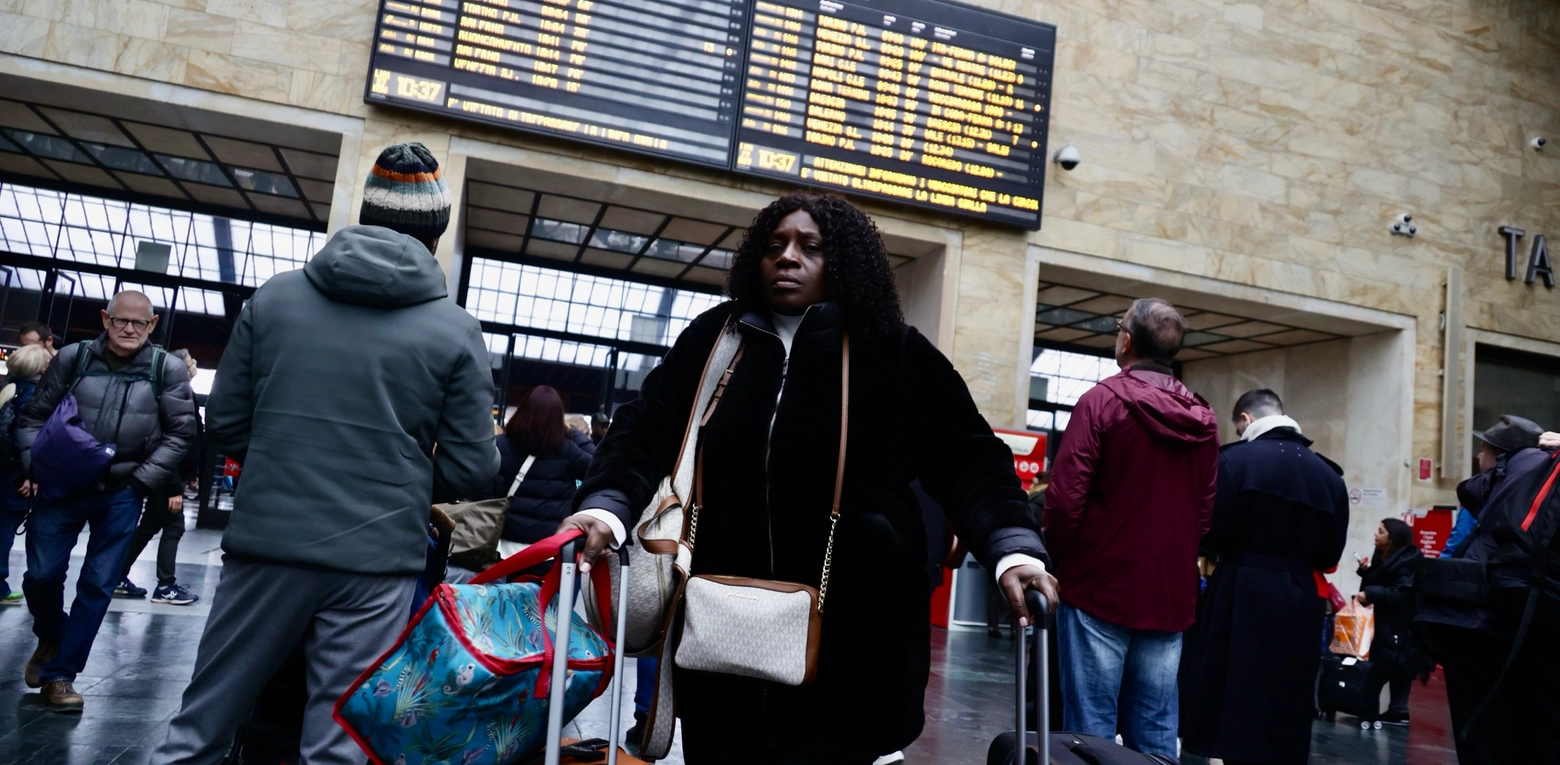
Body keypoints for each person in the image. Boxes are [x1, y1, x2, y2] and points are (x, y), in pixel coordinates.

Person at [557, 193, 1056, 765]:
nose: (787, 258)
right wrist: (606, 505)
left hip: (855, 649)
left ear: (844, 261)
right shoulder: (716, 339)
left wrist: (1013, 548)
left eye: (809, 247)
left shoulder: (892, 351)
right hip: (724, 636)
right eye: (774, 246)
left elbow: (970, 459)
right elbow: (643, 431)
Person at [151, 142, 501, 765]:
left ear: (364, 212)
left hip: (268, 544)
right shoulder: (455, 327)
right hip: (378, 558)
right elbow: (474, 468)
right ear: (437, 230)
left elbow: (226, 421)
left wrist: (287, 460)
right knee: (338, 744)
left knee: (201, 725)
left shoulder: (277, 297)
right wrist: (400, 480)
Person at [1043, 298, 1218, 758]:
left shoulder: (1100, 402)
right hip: (1169, 590)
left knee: (1091, 728)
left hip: (1099, 584)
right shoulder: (1203, 418)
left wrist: (1060, 561)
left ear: (1126, 341)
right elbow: (1204, 509)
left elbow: (1064, 499)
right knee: (1157, 725)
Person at [16, 290, 197, 712]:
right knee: (40, 576)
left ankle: (61, 675)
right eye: (120, 321)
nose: (129, 329)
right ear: (105, 318)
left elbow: (181, 434)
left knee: (97, 585)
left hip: (121, 492)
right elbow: (33, 417)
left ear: (153, 325)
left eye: (139, 322)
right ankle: (52, 633)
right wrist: (35, 466)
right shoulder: (73, 358)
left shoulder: (165, 368)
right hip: (62, 486)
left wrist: (141, 483)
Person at [1179, 389, 1349, 765]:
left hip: (1240, 585)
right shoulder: (1329, 476)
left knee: (1231, 685)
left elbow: (1209, 533)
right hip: (1301, 594)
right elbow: (1330, 553)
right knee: (1287, 692)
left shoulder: (1234, 461)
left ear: (1245, 420)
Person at [1413, 415, 1545, 764]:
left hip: (1478, 621)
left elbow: (1459, 542)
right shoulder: (1540, 484)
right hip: (1527, 619)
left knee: (1481, 727)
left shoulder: (1497, 485)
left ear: (1496, 455)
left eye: (1483, 451)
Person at [115, 349, 202, 605]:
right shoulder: (175, 396)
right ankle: (166, 586)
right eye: (190, 361)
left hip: (166, 475)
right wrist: (175, 485)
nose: (194, 364)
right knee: (174, 527)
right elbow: (168, 443)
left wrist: (191, 473)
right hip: (166, 476)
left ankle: (116, 575)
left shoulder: (174, 393)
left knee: (148, 526)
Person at [485, 385, 593, 550]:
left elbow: (484, 490)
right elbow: (599, 471)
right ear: (558, 417)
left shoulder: (500, 445)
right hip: (550, 545)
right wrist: (576, 434)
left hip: (502, 540)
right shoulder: (568, 451)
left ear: (523, 411)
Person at [1354, 518, 1424, 726]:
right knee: (1395, 663)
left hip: (1398, 623)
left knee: (1390, 664)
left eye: (1381, 531)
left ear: (1392, 540)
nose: (1376, 534)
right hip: (1384, 621)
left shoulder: (1406, 563)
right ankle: (1397, 710)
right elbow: (1381, 581)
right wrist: (1365, 572)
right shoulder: (1383, 556)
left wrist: (1371, 593)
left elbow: (1402, 595)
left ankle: (1378, 711)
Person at [0, 343, 51, 605]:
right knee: (5, 530)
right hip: (15, 476)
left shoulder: (8, 390)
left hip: (3, 471)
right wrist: (30, 475)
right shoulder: (33, 394)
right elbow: (25, 438)